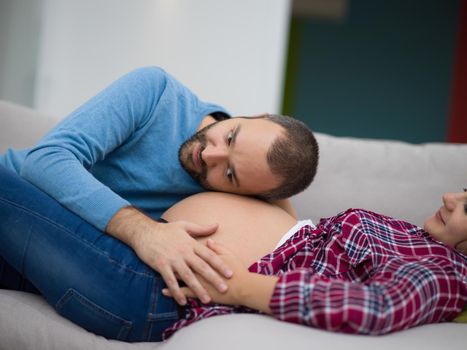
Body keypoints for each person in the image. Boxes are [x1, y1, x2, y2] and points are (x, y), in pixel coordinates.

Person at [0, 168, 466, 341]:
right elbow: (311, 254)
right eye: (462, 191)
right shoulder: (415, 239)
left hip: (162, 286)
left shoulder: (448, 272)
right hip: (155, 254)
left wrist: (232, 283)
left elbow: (376, 307)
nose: (449, 197)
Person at [0, 66, 319, 306]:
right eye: (231, 136)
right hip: (16, 201)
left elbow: (293, 231)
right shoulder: (156, 92)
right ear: (254, 115)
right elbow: (46, 160)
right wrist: (144, 231)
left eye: (230, 174)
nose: (210, 154)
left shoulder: (238, 192)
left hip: (57, 258)